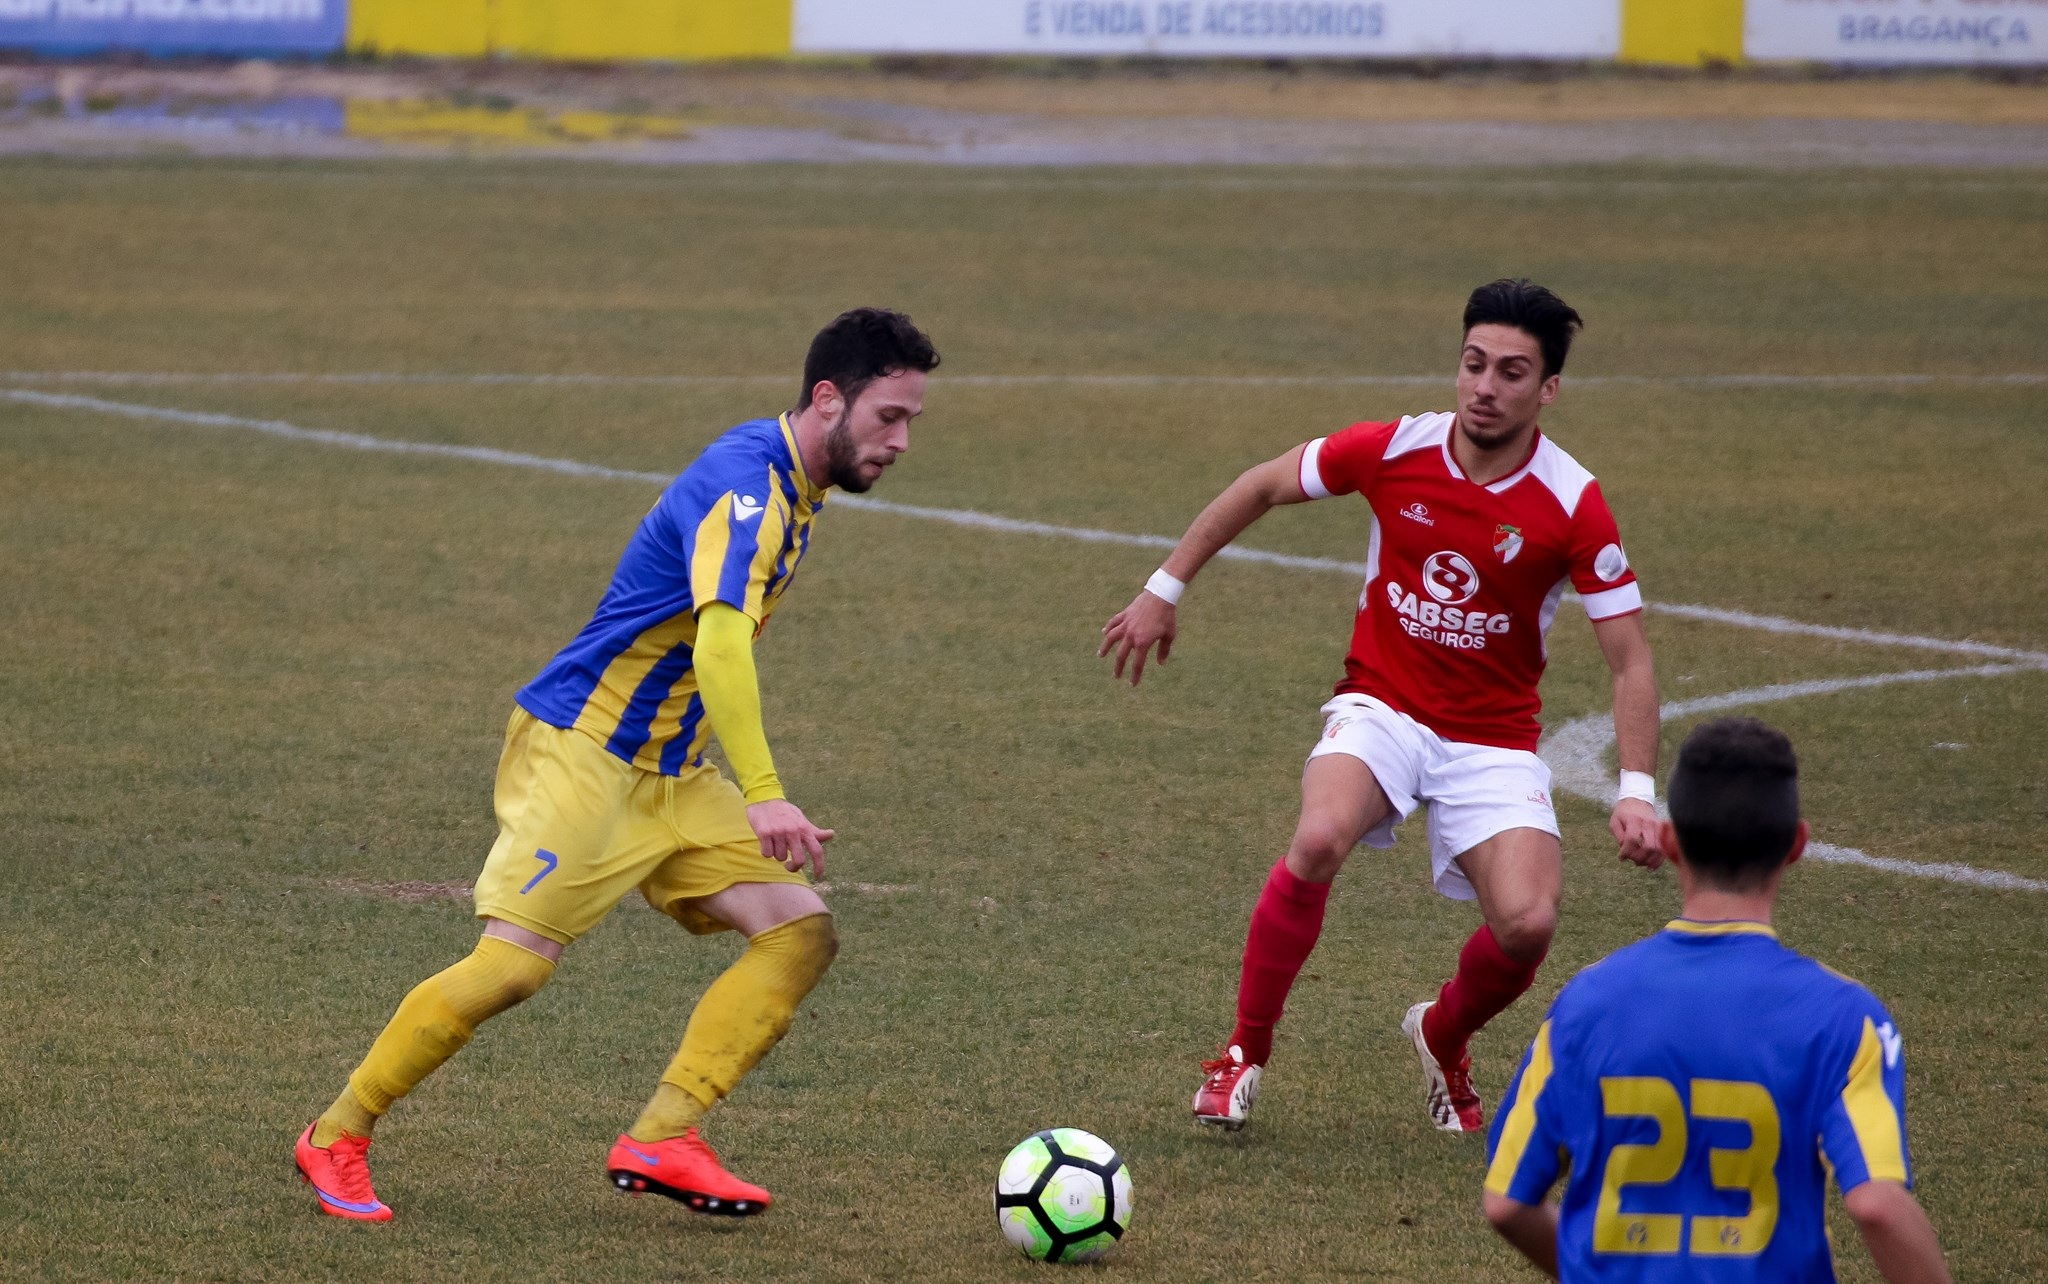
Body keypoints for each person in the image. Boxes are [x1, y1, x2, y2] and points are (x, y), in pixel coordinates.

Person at [294, 307, 939, 1222]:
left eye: (913, 419)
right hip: (584, 750)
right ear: (828, 399)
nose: (903, 440)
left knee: (800, 931)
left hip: (672, 770)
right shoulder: (748, 490)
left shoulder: (791, 474)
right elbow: (721, 651)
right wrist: (765, 796)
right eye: (890, 416)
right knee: (513, 970)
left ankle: (665, 1137)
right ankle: (334, 1136)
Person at [1100, 279, 1662, 1134]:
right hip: (1382, 706)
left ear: (1548, 390)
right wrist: (1162, 588)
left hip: (1494, 738)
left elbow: (1630, 659)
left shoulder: (1573, 501)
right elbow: (1259, 485)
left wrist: (1636, 789)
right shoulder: (1395, 448)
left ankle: (1441, 1034)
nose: (1484, 385)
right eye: (1474, 364)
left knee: (1527, 925)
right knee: (1320, 835)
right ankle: (1244, 1053)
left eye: (1512, 372)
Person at [1483, 717, 1950, 1283]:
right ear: (1797, 845)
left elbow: (1507, 1201)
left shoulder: (1586, 1002)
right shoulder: (1842, 1016)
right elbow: (1877, 1205)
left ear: (1671, 841)